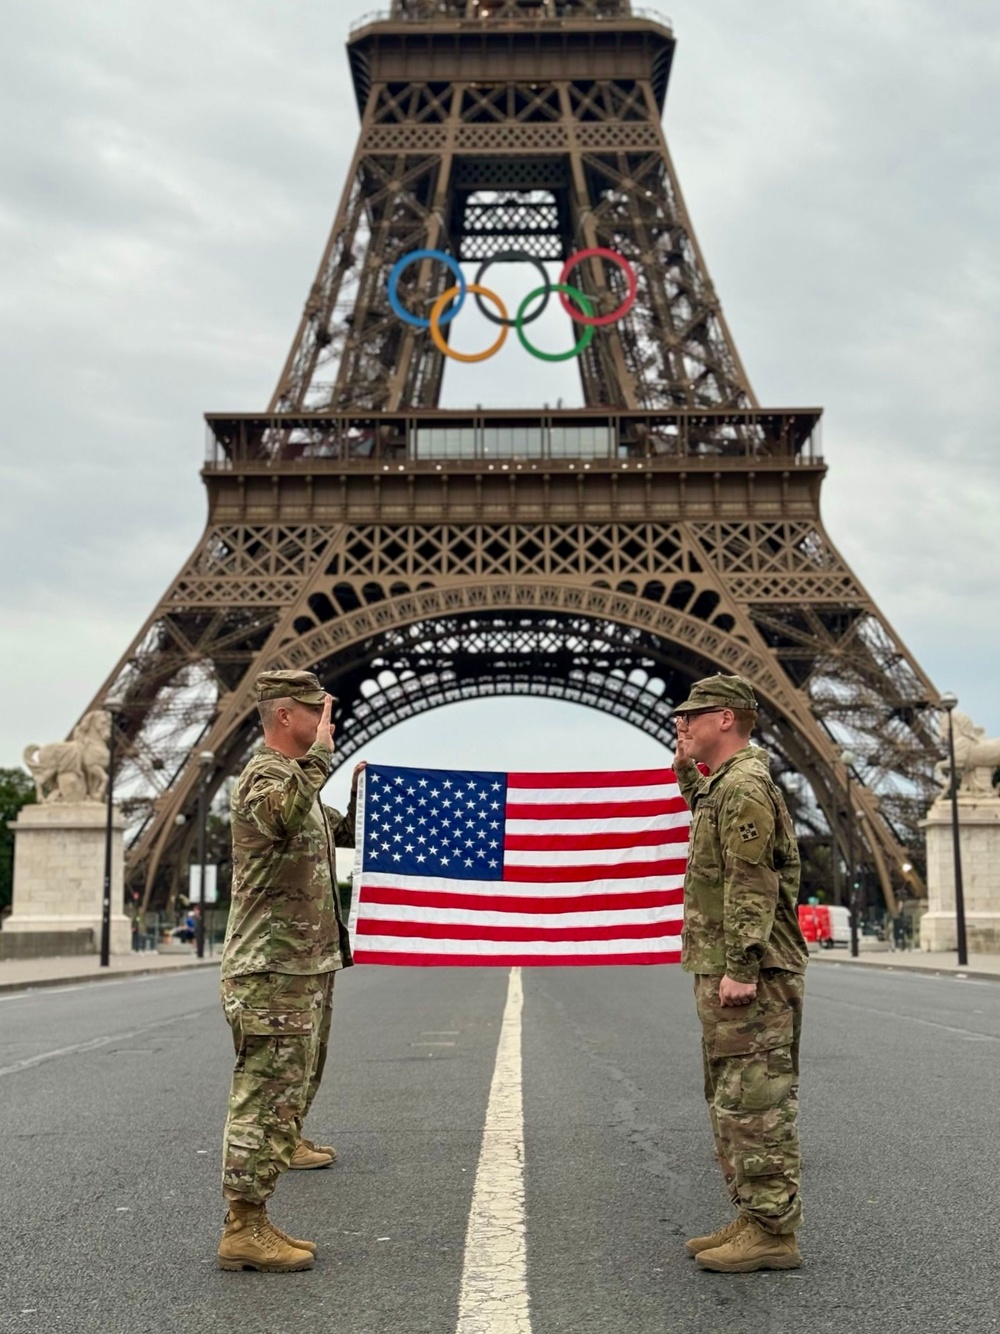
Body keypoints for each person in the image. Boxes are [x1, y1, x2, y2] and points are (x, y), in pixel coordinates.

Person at [217, 669, 365, 1273]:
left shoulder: (297, 782)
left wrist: (365, 797)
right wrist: (323, 760)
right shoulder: (265, 776)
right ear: (285, 716)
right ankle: (244, 1226)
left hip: (297, 966)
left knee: (282, 1093)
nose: (327, 720)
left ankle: (254, 1217)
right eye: (318, 711)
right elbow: (280, 816)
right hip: (270, 966)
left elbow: (343, 834)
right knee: (263, 1096)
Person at [672, 673, 809, 1274]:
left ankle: (774, 1231)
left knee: (756, 1101)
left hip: (751, 972)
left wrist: (742, 967)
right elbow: (705, 812)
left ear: (725, 718)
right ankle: (755, 1215)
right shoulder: (728, 786)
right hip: (728, 966)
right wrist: (682, 768)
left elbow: (751, 879)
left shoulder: (747, 785)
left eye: (691, 715)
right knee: (731, 1098)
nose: (682, 723)